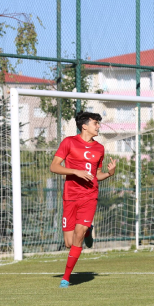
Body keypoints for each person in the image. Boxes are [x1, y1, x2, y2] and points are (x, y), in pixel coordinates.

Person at [50, 112, 117, 288]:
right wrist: (75, 171)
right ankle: (88, 231)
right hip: (70, 197)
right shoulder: (69, 142)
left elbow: (96, 175)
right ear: (84, 126)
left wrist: (110, 173)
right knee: (69, 243)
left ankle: (66, 278)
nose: (99, 126)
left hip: (90, 196)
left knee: (77, 237)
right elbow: (54, 166)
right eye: (96, 123)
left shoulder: (99, 148)